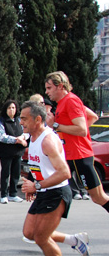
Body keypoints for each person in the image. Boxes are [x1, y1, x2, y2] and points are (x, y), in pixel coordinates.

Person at [20, 101, 90, 256]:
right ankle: (74, 240)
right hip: (44, 191)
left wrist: (37, 185)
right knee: (29, 233)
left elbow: (64, 172)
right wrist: (33, 184)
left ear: (38, 119)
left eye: (24, 118)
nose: (21, 122)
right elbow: (39, 166)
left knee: (41, 237)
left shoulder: (48, 140)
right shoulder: (33, 138)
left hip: (57, 192)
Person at [44, 71, 109, 214]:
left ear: (60, 86)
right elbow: (92, 117)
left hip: (80, 156)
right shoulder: (64, 102)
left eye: (49, 88)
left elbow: (82, 129)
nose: (46, 92)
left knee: (99, 197)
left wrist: (55, 126)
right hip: (71, 156)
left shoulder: (71, 100)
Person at [0, 100, 28, 204]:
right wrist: (16, 140)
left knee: (16, 174)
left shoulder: (19, 120)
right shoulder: (1, 121)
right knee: (5, 173)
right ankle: (3, 195)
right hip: (6, 152)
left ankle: (13, 194)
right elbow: (1, 137)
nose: (11, 110)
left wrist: (22, 137)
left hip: (17, 152)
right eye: (9, 108)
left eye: (13, 108)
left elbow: (26, 132)